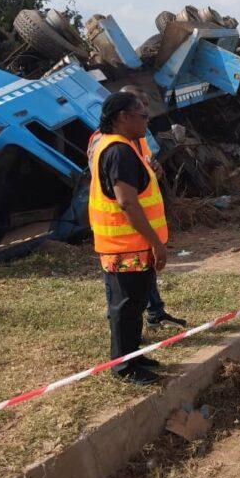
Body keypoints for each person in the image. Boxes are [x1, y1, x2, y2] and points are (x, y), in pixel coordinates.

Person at [87, 87, 186, 331]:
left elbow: (139, 170)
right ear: (124, 115)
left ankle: (151, 316)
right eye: (141, 110)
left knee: (136, 293)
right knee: (123, 299)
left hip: (138, 234)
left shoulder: (135, 139)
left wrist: (152, 170)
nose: (146, 115)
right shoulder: (110, 144)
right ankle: (123, 347)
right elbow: (118, 191)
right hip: (123, 235)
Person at [88, 91, 169, 385]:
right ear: (123, 117)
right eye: (142, 116)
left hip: (132, 245)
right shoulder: (118, 150)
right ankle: (124, 367)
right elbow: (127, 203)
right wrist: (156, 243)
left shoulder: (124, 147)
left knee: (134, 305)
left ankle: (133, 355)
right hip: (127, 247)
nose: (147, 121)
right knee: (126, 307)